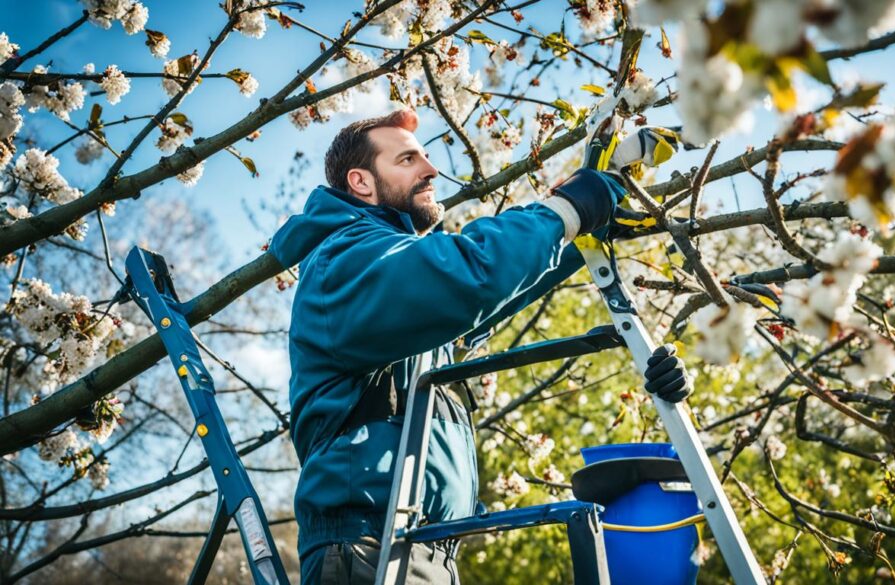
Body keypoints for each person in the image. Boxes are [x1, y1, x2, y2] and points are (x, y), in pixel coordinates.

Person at [268, 109, 692, 584]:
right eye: (408, 159)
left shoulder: (401, 293)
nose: (431, 170)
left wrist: (586, 217)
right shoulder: (344, 260)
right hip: (368, 547)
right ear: (361, 183)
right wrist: (570, 209)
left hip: (427, 546)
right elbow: (470, 277)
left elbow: (496, 294)